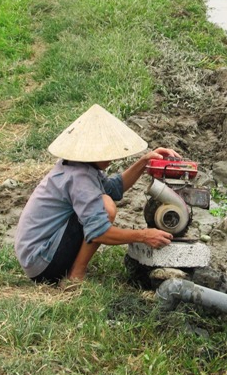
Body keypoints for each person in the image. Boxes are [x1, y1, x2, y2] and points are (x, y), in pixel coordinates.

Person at [14, 104, 176, 285]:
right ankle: (76, 275)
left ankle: (73, 269)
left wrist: (145, 162)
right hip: (42, 262)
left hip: (36, 258)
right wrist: (144, 236)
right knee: (106, 207)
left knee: (104, 200)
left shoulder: (78, 165)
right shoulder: (79, 177)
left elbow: (114, 188)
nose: (111, 157)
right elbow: (99, 232)